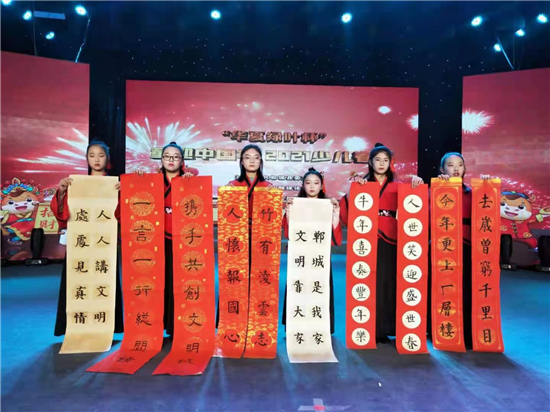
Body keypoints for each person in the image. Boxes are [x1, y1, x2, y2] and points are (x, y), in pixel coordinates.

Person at [339, 142, 424, 343]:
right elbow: (347, 210)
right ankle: (365, 326)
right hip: (365, 237)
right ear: (370, 162)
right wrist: (353, 190)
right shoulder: (362, 184)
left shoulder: (398, 186)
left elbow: (414, 205)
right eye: (378, 160)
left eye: (386, 160)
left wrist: (418, 184)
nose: (382, 163)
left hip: (390, 238)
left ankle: (384, 327)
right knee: (366, 281)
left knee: (387, 282)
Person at [51, 140, 124, 336]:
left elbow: (122, 215)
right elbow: (62, 213)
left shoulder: (115, 184)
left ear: (107, 158)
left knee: (103, 282)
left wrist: (124, 193)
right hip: (81, 243)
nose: (96, 159)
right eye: (92, 155)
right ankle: (76, 324)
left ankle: (106, 325)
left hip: (104, 242)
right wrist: (62, 191)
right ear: (86, 159)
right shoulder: (76, 184)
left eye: (101, 155)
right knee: (78, 282)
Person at [136, 141, 198, 336]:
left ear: (182, 161)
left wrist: (191, 180)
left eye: (176, 157)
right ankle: (154, 325)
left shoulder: (189, 179)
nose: (171, 160)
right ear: (161, 159)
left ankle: (178, 325)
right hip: (156, 240)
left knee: (179, 284)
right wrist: (136, 182)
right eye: (167, 156)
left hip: (182, 240)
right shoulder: (151, 180)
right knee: (156, 283)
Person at [432, 152, 492, 349]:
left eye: (460, 165)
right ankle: (441, 329)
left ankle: (468, 331)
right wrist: (440, 189)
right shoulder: (435, 191)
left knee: (467, 289)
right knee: (444, 289)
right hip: (443, 247)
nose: (456, 168)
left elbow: (487, 213)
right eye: (450, 165)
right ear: (442, 169)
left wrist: (487, 187)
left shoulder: (473, 192)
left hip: (468, 247)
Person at [282, 168, 341, 334]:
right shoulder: (296, 204)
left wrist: (335, 211)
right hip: (300, 254)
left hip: (319, 254)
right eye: (308, 183)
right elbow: (289, 233)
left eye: (316, 183)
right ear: (303, 185)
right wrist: (289, 211)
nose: (312, 187)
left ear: (322, 186)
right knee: (299, 288)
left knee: (318, 288)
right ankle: (296, 326)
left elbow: (334, 235)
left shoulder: (328, 205)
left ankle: (318, 327)